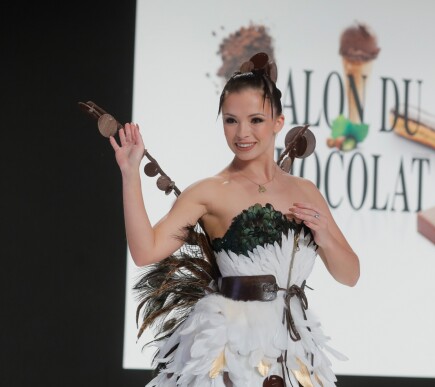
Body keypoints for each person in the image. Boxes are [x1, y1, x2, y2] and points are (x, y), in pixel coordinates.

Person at [110, 52, 360, 387]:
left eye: (256, 120)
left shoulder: (305, 191)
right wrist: (130, 175)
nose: (242, 133)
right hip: (230, 353)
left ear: (278, 122)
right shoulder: (209, 191)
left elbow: (350, 274)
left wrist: (325, 234)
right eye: (231, 120)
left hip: (294, 352)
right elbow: (146, 251)